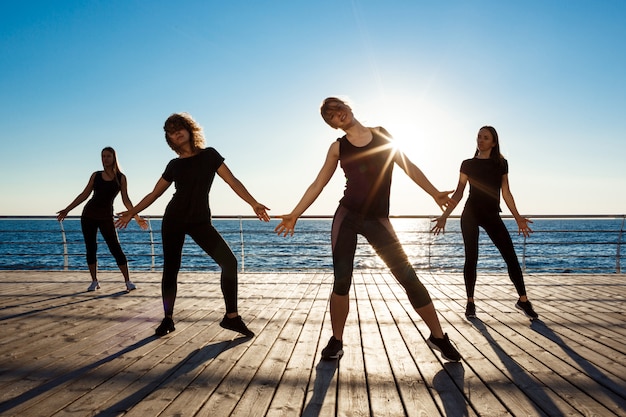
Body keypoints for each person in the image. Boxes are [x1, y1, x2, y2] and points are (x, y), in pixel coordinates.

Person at [275, 97, 461, 362]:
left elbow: (408, 166)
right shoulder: (337, 148)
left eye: (338, 108)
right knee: (341, 280)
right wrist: (295, 214)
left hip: (378, 219)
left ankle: (439, 336)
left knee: (408, 277)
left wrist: (434, 193)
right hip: (347, 216)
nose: (337, 114)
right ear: (331, 125)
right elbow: (318, 184)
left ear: (348, 107)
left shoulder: (382, 134)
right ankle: (336, 340)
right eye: (330, 115)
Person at [115, 112, 270, 337]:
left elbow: (232, 180)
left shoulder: (210, 155)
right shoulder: (174, 165)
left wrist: (253, 203)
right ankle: (167, 319)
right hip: (174, 219)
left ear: (189, 129)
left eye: (179, 127)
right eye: (170, 131)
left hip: (199, 221)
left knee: (229, 262)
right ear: (169, 139)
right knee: (171, 269)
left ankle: (231, 318)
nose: (176, 132)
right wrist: (132, 212)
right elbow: (155, 193)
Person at [430, 126, 539, 320]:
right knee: (471, 258)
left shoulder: (501, 164)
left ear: (493, 142)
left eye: (485, 137)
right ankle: (470, 302)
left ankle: (523, 300)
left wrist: (518, 218)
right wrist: (445, 215)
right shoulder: (467, 164)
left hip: (491, 215)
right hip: (470, 214)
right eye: (479, 137)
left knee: (511, 256)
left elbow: (506, 193)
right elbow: (459, 192)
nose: (480, 140)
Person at [57, 147, 147, 292]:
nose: (105, 159)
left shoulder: (121, 178)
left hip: (106, 217)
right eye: (103, 156)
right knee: (91, 248)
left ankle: (128, 281)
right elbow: (84, 195)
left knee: (115, 247)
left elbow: (126, 199)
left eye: (108, 156)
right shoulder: (96, 175)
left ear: (114, 158)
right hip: (88, 215)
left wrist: (136, 217)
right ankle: (94, 281)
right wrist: (67, 209)